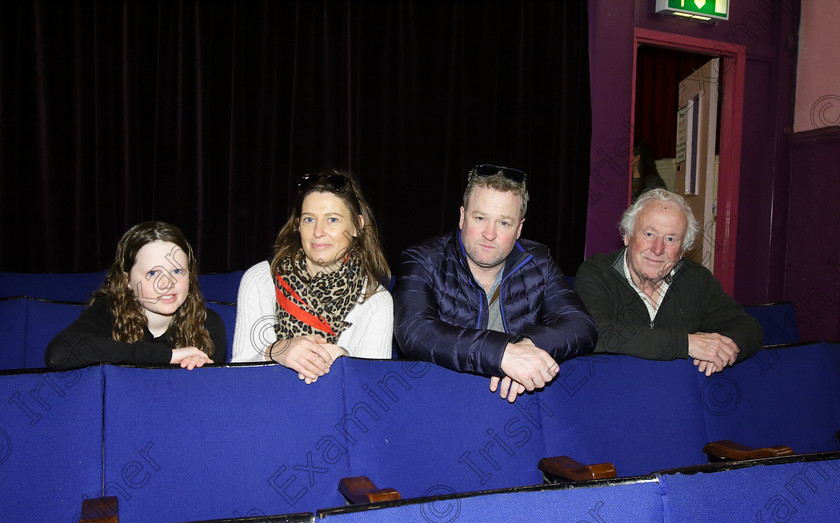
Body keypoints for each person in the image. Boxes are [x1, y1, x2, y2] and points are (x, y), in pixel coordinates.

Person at [393, 163, 597, 403]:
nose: (489, 234)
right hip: (436, 401)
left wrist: (527, 347)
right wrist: (501, 354)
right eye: (480, 218)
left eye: (504, 223)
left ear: (519, 228)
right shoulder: (423, 260)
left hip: (512, 405)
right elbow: (414, 331)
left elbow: (582, 325)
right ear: (462, 217)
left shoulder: (538, 260)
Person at [574, 188, 763, 375]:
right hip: (611, 392)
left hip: (677, 394)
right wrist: (686, 344)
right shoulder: (597, 272)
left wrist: (719, 351)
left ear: (683, 250)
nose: (658, 249)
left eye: (671, 239)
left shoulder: (697, 280)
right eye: (649, 234)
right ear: (627, 236)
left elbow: (749, 329)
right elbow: (596, 333)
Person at [232, 169, 393, 383]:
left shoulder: (375, 300)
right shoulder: (261, 280)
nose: (318, 231)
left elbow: (372, 390)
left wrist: (345, 363)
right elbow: (235, 376)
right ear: (298, 225)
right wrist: (275, 350)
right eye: (309, 219)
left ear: (357, 226)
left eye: (332, 220)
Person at [45, 221, 226, 370]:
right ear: (127, 281)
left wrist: (200, 374)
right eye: (153, 273)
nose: (168, 284)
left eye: (178, 271)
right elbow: (59, 354)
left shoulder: (208, 325)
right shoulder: (109, 313)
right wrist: (169, 356)